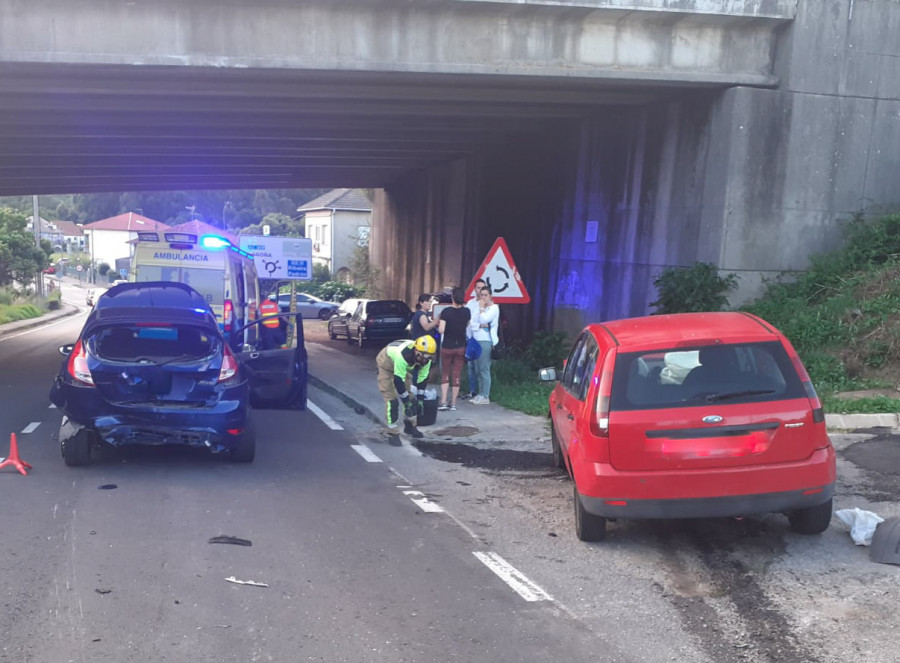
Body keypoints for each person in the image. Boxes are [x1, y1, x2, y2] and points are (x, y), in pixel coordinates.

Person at [375, 335, 437, 444]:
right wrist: (406, 402)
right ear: (417, 351)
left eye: (429, 357)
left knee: (413, 400)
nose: (425, 360)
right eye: (424, 356)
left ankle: (410, 427)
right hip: (387, 364)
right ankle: (392, 433)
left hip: (402, 367)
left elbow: (422, 381)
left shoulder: (426, 360)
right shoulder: (403, 356)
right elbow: (398, 381)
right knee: (392, 402)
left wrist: (420, 400)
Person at [436, 287, 471, 411]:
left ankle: (444, 401)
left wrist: (439, 321)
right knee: (457, 374)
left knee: (445, 373)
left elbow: (441, 330)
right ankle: (453, 403)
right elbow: (467, 326)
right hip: (461, 346)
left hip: (447, 346)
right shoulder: (467, 312)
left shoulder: (446, 312)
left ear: (452, 297)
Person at [468, 285, 500, 405]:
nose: (483, 297)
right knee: (477, 369)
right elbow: (472, 322)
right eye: (482, 295)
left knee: (484, 369)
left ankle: (485, 395)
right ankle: (480, 393)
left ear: (490, 296)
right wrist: (480, 323)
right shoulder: (479, 307)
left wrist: (481, 314)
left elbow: (483, 320)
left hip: (486, 341)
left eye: (486, 295)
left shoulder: (494, 308)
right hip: (476, 340)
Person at [461, 278, 486, 400]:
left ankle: (483, 393)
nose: (480, 290)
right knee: (470, 366)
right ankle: (472, 391)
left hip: (481, 338)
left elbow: (486, 322)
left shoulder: (487, 304)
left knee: (479, 367)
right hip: (469, 338)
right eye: (478, 287)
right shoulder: (470, 303)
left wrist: (475, 324)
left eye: (482, 287)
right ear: (474, 289)